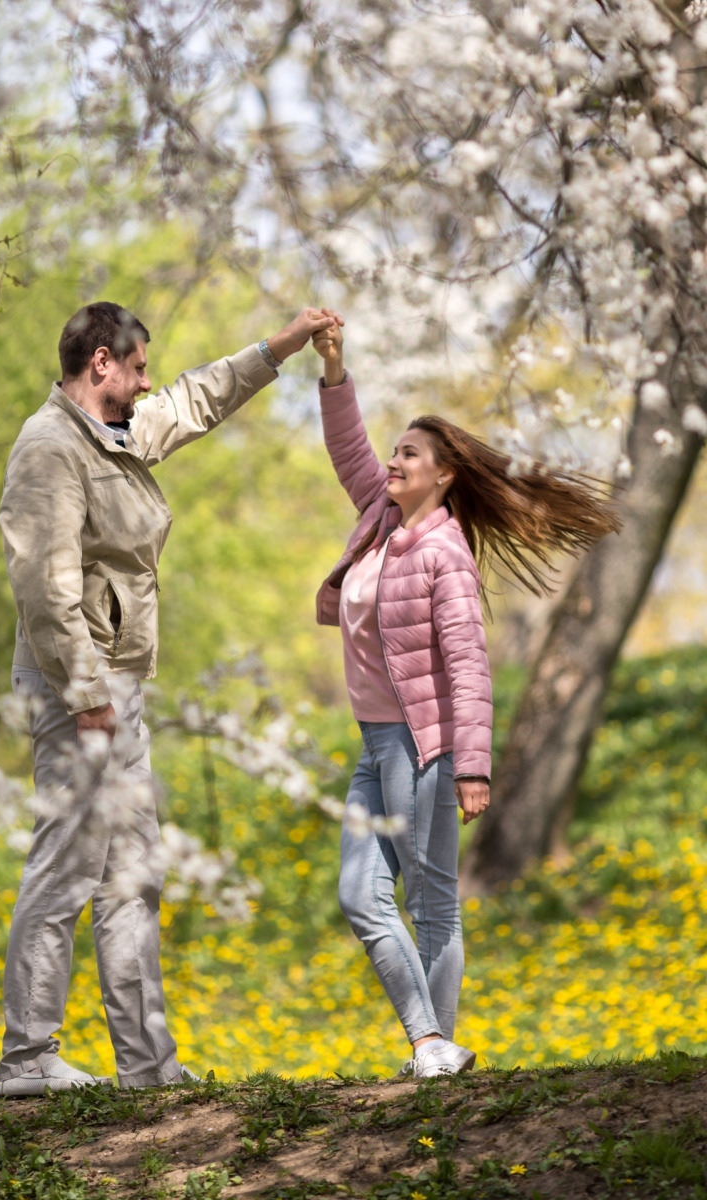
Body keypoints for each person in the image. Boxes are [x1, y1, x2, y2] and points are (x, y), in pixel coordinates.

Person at [0, 301, 336, 1096]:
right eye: (140, 367)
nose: (149, 381)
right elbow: (45, 586)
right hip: (78, 684)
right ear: (103, 362)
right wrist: (83, 694)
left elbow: (196, 400)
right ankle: (27, 1060)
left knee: (133, 874)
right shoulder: (50, 448)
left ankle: (147, 1065)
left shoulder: (115, 435)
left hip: (119, 681)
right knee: (67, 867)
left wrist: (280, 345)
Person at [311, 314, 619, 1078]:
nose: (390, 460)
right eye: (394, 450)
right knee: (360, 894)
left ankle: (431, 1048)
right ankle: (435, 1045)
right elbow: (348, 447)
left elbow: (469, 668)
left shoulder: (445, 555)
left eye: (407, 453)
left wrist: (472, 766)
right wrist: (333, 367)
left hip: (425, 749)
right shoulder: (381, 520)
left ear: (443, 474)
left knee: (432, 902)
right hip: (374, 743)